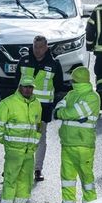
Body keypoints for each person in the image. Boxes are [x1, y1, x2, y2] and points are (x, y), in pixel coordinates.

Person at [53, 65, 100, 203]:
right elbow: (62, 108)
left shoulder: (92, 97)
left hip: (81, 144)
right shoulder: (75, 94)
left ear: (75, 80)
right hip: (70, 144)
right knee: (69, 180)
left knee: (86, 179)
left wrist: (64, 113)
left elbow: (68, 112)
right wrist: (69, 113)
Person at [0, 75, 42, 203]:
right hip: (14, 151)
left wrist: (34, 143)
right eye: (25, 86)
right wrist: (7, 143)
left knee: (25, 182)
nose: (28, 90)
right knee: (10, 181)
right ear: (19, 87)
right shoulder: (7, 104)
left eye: (30, 87)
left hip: (29, 152)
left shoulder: (36, 104)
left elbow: (38, 126)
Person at [18, 34, 65, 182]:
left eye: (40, 47)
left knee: (39, 138)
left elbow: (59, 87)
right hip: (23, 107)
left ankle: (38, 169)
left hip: (41, 110)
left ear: (46, 47)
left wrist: (53, 106)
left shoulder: (54, 64)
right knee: (20, 138)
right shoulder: (24, 61)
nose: (37, 50)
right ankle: (17, 166)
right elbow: (16, 83)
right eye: (35, 47)